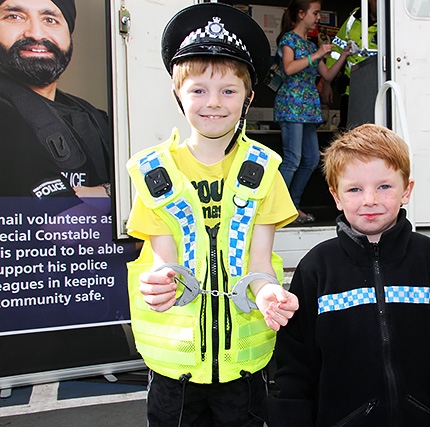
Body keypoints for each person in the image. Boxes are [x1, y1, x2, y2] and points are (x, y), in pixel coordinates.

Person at [125, 3, 300, 426]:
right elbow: (167, 262)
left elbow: (259, 266)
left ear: (249, 97)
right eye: (198, 89)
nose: (213, 103)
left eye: (228, 90)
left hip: (242, 370)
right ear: (176, 93)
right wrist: (161, 283)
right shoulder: (153, 173)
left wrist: (268, 294)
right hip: (175, 374)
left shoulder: (267, 171)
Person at [264, 124, 430, 426]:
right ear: (336, 196)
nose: (369, 199)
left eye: (384, 186)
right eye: (354, 189)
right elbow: (294, 367)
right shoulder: (316, 268)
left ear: (406, 190)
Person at [0, 0, 111, 199]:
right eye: (14, 17)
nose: (35, 33)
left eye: (50, 20)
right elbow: (58, 218)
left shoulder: (97, 119)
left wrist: (108, 191)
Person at [274, 0, 352, 224]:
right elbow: (289, 68)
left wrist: (344, 55)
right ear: (300, 14)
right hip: (291, 103)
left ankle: (292, 206)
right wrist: (317, 55)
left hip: (308, 106)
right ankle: (276, 207)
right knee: (293, 159)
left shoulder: (310, 45)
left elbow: (327, 76)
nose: (318, 17)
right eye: (315, 13)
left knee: (310, 160)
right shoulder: (288, 39)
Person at [322, 0, 378, 129]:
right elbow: (336, 50)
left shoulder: (391, 21)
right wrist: (327, 82)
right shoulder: (353, 19)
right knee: (348, 134)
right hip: (350, 91)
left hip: (376, 92)